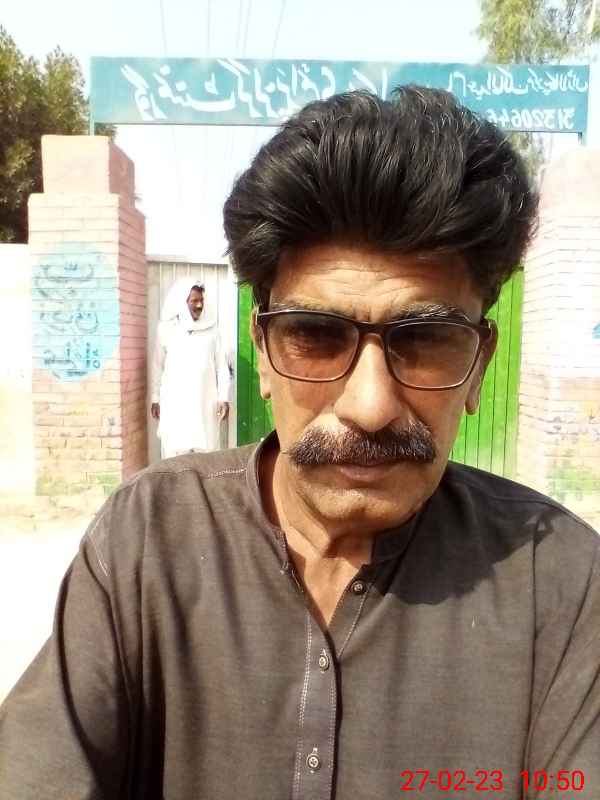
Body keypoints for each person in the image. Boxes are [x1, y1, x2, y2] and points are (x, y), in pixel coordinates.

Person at [1, 87, 599, 799]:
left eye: (426, 340)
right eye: (315, 336)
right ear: (261, 350)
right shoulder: (148, 542)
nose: (370, 407)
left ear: (478, 366)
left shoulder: (559, 584)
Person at [150, 280, 230, 456]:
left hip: (204, 401)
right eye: (194, 301)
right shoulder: (166, 329)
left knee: (204, 453)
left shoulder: (212, 331)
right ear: (183, 302)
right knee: (175, 452)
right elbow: (157, 366)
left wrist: (223, 397)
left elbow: (221, 367)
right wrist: (155, 398)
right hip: (175, 403)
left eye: (201, 300)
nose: (199, 305)